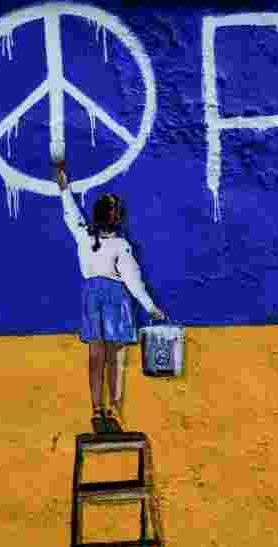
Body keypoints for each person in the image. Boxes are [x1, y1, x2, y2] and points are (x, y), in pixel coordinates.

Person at [55, 158, 166, 434]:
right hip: (116, 300)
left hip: (92, 298)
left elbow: (71, 215)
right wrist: (150, 307)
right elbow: (133, 280)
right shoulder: (120, 245)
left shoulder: (84, 237)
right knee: (115, 358)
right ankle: (114, 408)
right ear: (116, 219)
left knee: (95, 357)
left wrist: (64, 189)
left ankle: (96, 408)